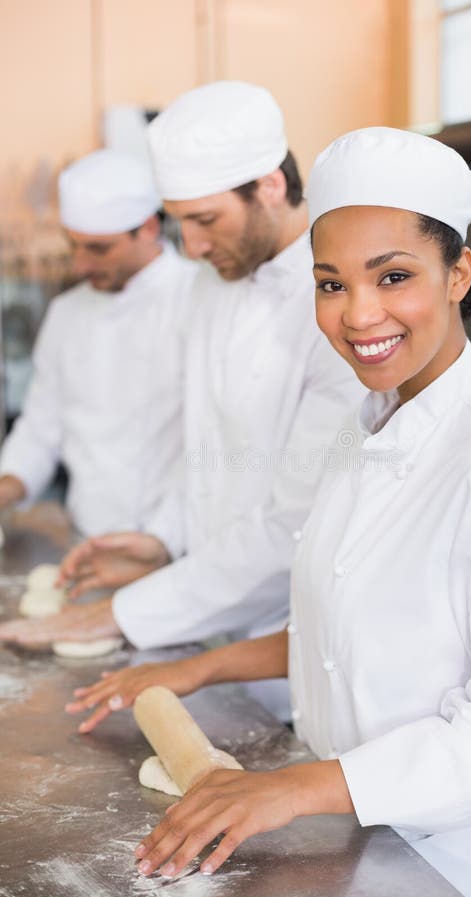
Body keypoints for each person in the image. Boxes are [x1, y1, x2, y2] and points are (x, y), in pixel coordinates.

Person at [66, 127, 471, 897]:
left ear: (459, 274)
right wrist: (197, 667)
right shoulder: (369, 421)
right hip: (347, 846)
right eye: (331, 284)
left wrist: (294, 789)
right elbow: (345, 631)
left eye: (393, 277)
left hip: (457, 868)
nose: (358, 315)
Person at [0, 83, 362, 717]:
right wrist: (163, 540)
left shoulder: (336, 309)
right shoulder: (211, 289)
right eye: (180, 222)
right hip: (200, 621)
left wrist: (126, 611)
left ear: (270, 186)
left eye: (204, 221)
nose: (189, 247)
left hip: (289, 648)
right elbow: (207, 456)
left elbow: (295, 522)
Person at [0, 149, 198, 536]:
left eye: (98, 248)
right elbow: (41, 426)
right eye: (74, 246)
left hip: (179, 542)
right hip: (87, 537)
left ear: (148, 229)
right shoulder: (67, 313)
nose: (80, 266)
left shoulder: (199, 300)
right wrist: (7, 487)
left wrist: (164, 540)